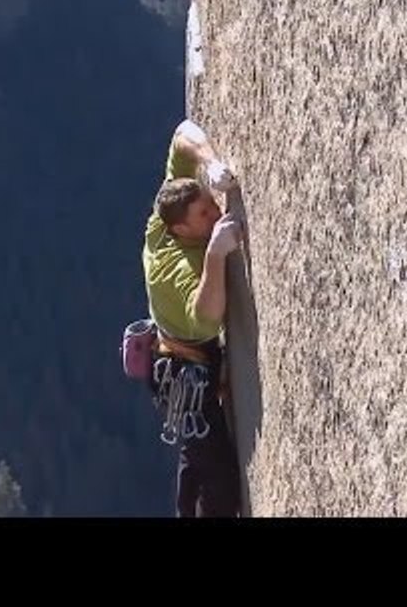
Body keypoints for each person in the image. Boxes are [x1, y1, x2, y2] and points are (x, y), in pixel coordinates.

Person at [142, 118, 243, 518]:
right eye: (205, 214)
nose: (216, 211)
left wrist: (212, 163)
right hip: (185, 376)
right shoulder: (179, 270)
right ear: (182, 227)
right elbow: (205, 320)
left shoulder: (164, 217)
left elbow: (183, 134)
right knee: (218, 475)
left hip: (175, 362)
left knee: (197, 459)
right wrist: (216, 255)